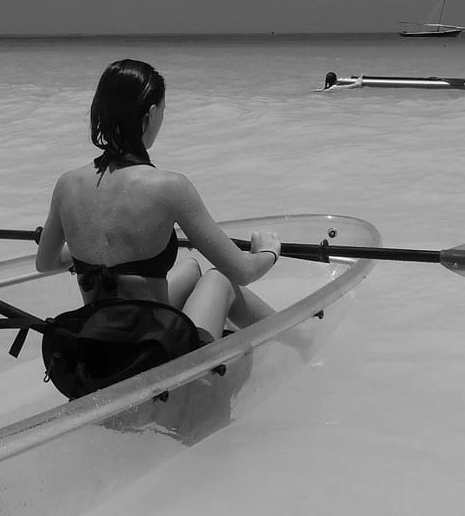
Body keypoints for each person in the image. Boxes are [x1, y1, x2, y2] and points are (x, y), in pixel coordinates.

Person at [35, 59, 281, 350]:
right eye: (163, 111)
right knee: (220, 279)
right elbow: (243, 271)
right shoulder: (168, 187)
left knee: (191, 268)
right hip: (150, 351)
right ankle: (293, 339)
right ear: (150, 115)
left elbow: (45, 262)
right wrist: (268, 251)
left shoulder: (67, 184)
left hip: (98, 343)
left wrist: (84, 251)